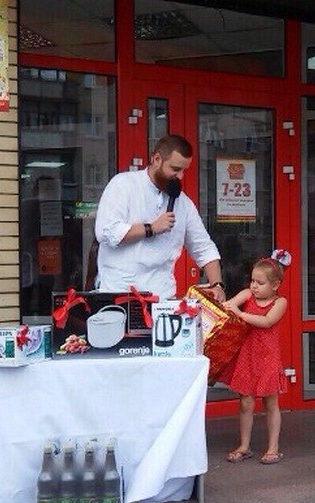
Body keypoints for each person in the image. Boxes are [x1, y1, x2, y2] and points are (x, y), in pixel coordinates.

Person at [94, 134, 226, 301]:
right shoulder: (123, 185)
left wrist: (217, 285)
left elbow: (204, 248)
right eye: (175, 169)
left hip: (162, 298)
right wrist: (150, 228)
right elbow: (106, 232)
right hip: (118, 294)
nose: (180, 177)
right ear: (157, 159)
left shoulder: (183, 203)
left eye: (184, 170)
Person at [221, 249, 290, 465]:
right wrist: (226, 306)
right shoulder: (248, 295)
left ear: (275, 285)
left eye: (260, 283)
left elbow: (268, 322)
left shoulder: (280, 302)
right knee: (245, 403)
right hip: (247, 356)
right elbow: (229, 304)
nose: (254, 286)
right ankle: (244, 445)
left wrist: (241, 314)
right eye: (252, 281)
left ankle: (273, 447)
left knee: (271, 403)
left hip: (268, 357)